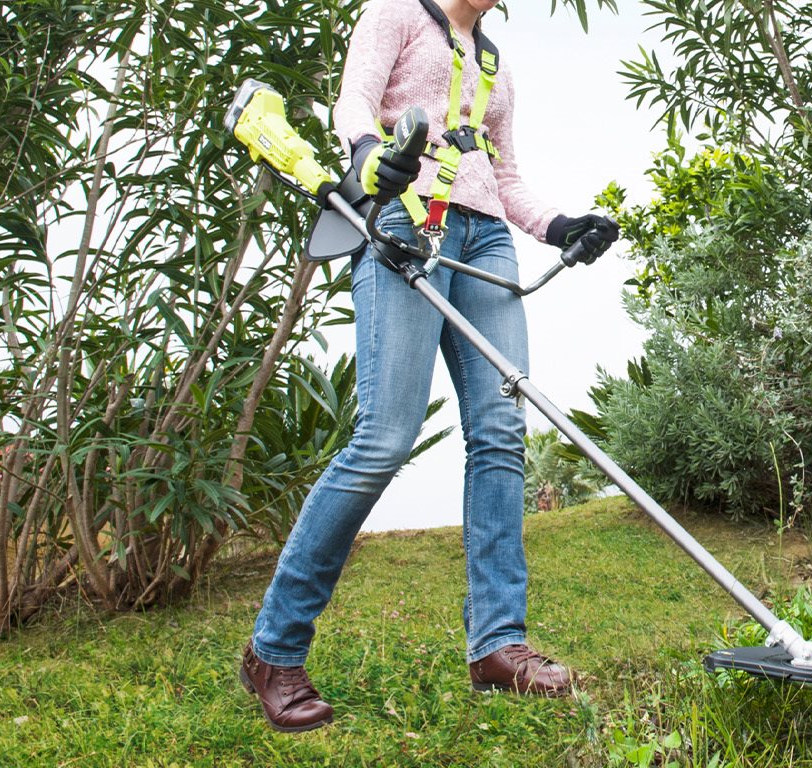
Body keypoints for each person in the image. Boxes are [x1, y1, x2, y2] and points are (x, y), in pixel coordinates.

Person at [238, 0, 618, 733]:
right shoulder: (393, 13)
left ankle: (499, 647)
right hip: (404, 224)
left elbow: (503, 177)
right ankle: (274, 651)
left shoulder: (495, 63)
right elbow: (354, 103)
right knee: (383, 438)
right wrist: (368, 158)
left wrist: (561, 226)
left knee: (502, 434)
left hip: (486, 246)